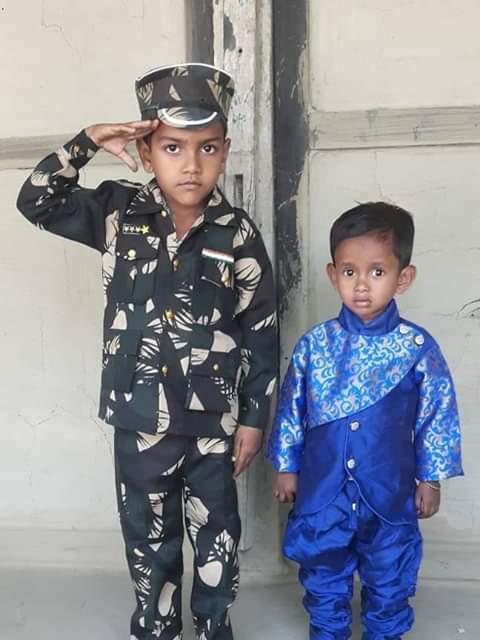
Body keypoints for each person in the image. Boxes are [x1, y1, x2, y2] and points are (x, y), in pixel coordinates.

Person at [17, 62, 277, 640]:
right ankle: (156, 627)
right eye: (172, 147)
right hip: (139, 417)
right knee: (147, 538)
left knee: (217, 536)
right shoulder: (117, 213)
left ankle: (212, 627)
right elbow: (35, 201)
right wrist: (88, 142)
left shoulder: (237, 233)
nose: (191, 164)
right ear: (146, 149)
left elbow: (261, 329)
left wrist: (255, 419)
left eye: (207, 148)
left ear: (225, 150)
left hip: (213, 421)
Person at [267, 202, 463, 640]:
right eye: (349, 271)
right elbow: (291, 408)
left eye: (377, 272)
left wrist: (430, 480)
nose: (361, 285)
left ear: (403, 278)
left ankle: (385, 633)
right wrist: (286, 466)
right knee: (323, 573)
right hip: (324, 491)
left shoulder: (417, 347)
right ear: (332, 274)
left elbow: (436, 416)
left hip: (389, 490)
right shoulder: (315, 345)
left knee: (390, 574)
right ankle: (328, 632)